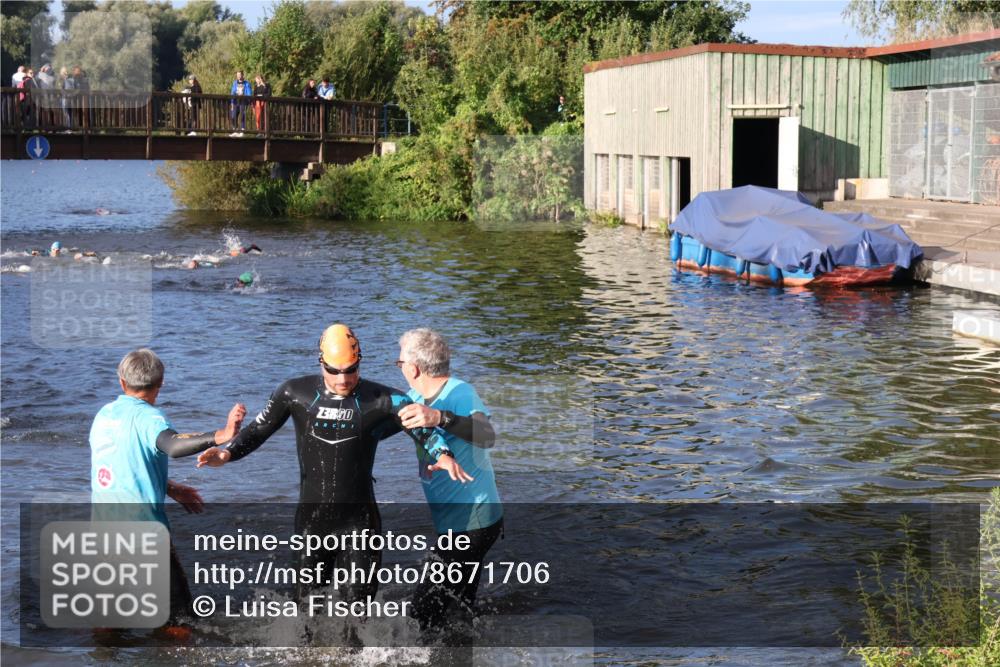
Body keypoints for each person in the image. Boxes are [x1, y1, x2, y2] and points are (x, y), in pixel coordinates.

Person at [196, 325, 471, 620]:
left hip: (359, 524)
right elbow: (260, 428)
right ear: (321, 363)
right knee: (306, 615)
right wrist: (227, 453)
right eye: (335, 370)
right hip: (312, 524)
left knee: (358, 617)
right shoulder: (294, 393)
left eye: (351, 370)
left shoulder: (382, 398)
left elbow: (420, 426)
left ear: (360, 362)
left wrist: (442, 454)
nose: (344, 379)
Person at [90, 349, 245, 631]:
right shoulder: (150, 419)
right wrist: (221, 435)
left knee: (107, 620)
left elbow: (121, 466)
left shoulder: (103, 416)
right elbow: (173, 445)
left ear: (122, 382)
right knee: (178, 622)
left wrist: (169, 488)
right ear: (159, 385)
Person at [394, 328, 503, 634]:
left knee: (420, 618)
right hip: (453, 523)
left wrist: (440, 418)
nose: (399, 368)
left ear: (413, 368)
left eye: (399, 362)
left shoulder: (460, 393)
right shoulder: (412, 398)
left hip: (474, 522)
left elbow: (487, 436)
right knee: (459, 609)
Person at [229, 70, 251, 136]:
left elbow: (249, 93)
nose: (238, 76)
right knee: (233, 115)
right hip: (236, 101)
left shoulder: (246, 83)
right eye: (237, 75)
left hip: (243, 101)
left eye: (240, 75)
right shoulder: (235, 83)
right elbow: (232, 92)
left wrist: (247, 98)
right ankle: (235, 129)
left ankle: (242, 129)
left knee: (242, 115)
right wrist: (232, 102)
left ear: (242, 75)